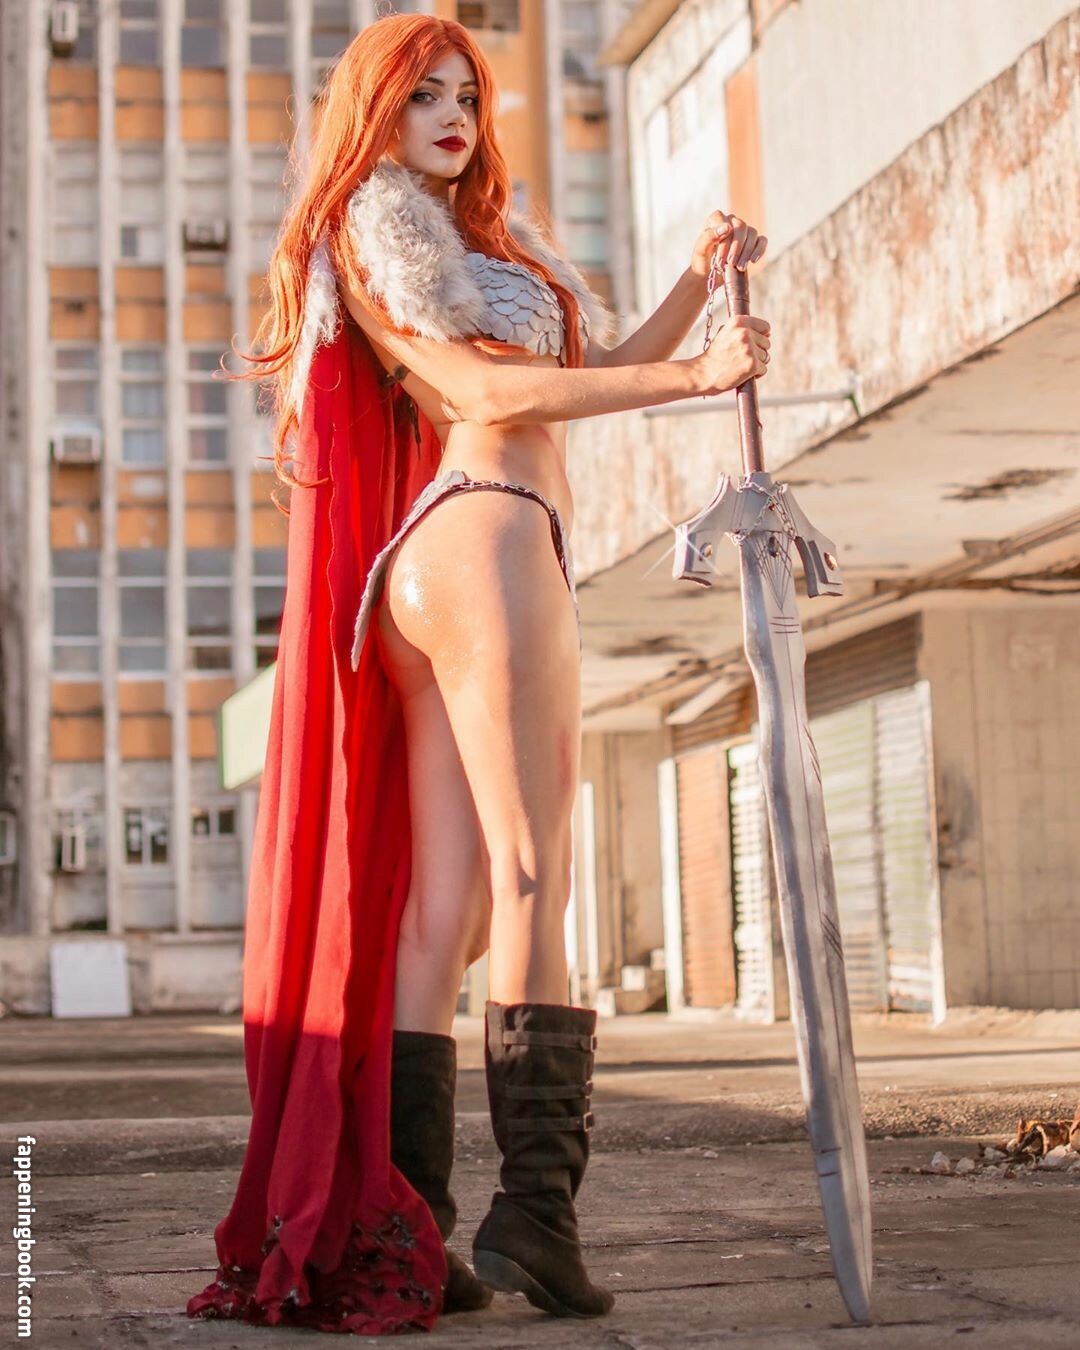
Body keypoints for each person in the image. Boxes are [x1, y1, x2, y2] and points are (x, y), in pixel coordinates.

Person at [187, 10, 769, 1337]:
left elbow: (584, 373)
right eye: (421, 97)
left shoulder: (488, 243)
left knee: (438, 916)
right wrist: (701, 377)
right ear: (373, 115)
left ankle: (411, 1226)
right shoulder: (377, 231)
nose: (452, 116)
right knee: (531, 876)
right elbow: (490, 396)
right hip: (492, 534)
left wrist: (697, 287)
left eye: (465, 94)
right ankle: (538, 1218)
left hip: (436, 563)